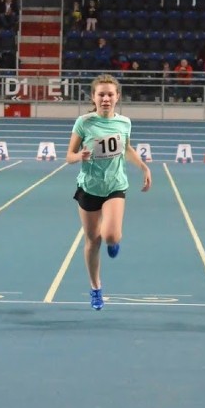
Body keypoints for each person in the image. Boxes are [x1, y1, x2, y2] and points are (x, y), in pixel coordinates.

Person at [66, 74, 152, 311]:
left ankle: (113, 241)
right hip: (89, 188)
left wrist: (143, 166)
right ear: (93, 98)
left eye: (110, 94)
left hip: (115, 186)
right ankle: (95, 288)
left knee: (111, 236)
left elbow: (126, 148)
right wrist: (79, 156)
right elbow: (69, 156)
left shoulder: (124, 122)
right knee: (92, 241)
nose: (105, 98)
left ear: (117, 97)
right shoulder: (84, 123)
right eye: (101, 94)